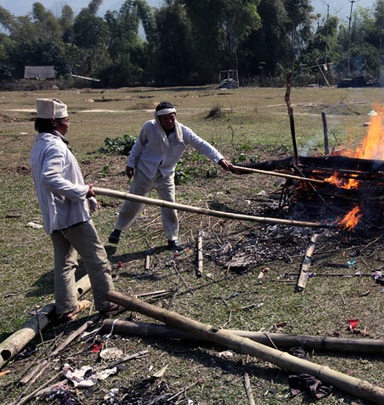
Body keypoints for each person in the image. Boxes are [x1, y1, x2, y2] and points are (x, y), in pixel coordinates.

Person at [30, 98, 118, 320]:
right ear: (54, 122)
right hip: (70, 217)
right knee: (98, 261)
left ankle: (67, 307)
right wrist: (82, 192)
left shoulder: (40, 143)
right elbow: (49, 179)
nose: (69, 124)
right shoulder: (54, 147)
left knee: (65, 263)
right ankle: (107, 304)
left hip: (55, 217)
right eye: (66, 120)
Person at [108, 101, 234, 250]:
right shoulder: (149, 127)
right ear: (158, 119)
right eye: (166, 118)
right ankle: (118, 230)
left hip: (165, 174)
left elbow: (201, 144)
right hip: (144, 171)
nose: (170, 121)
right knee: (133, 201)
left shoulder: (183, 131)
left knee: (170, 206)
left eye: (172, 117)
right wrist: (130, 163)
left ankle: (172, 239)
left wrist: (219, 159)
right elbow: (139, 145)